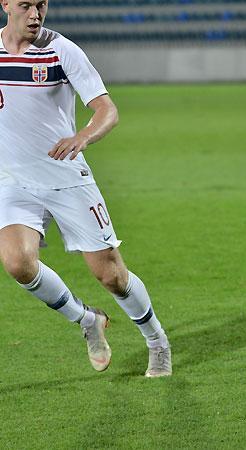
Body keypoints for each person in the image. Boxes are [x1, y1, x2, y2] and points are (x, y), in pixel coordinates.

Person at [0, 0, 171, 377]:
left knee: (111, 275)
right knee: (17, 263)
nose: (35, 14)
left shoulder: (61, 50)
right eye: (26, 5)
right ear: (6, 4)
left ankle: (156, 341)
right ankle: (86, 319)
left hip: (65, 176)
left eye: (41, 4)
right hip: (13, 180)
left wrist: (83, 136)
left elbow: (107, 110)